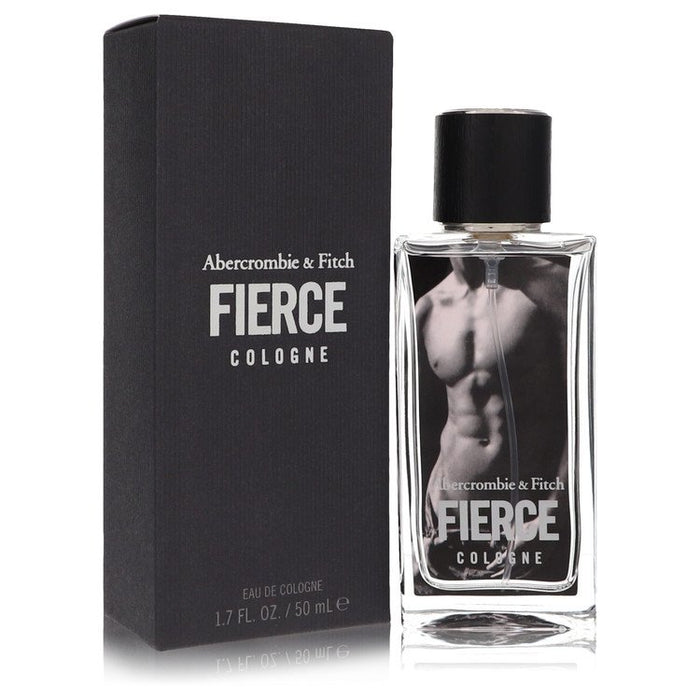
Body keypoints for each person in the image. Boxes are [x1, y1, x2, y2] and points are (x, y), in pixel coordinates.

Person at [415, 255, 569, 583]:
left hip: (525, 521)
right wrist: (415, 526)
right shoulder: (427, 308)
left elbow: (585, 410)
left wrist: (555, 509)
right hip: (445, 524)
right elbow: (418, 430)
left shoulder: (552, 286)